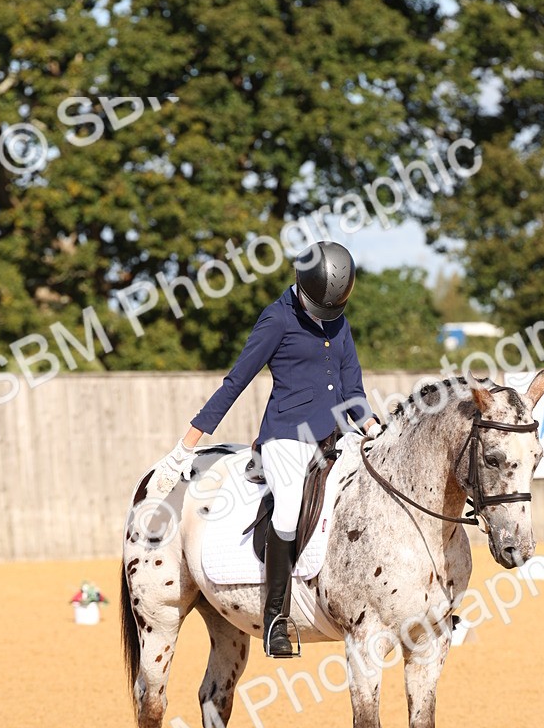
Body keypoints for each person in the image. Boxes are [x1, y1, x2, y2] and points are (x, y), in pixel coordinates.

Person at [158, 241, 381, 658]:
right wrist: (189, 442)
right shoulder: (277, 319)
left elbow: (353, 392)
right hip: (286, 438)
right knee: (288, 507)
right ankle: (277, 616)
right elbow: (236, 380)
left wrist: (374, 428)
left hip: (336, 438)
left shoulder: (340, 321)